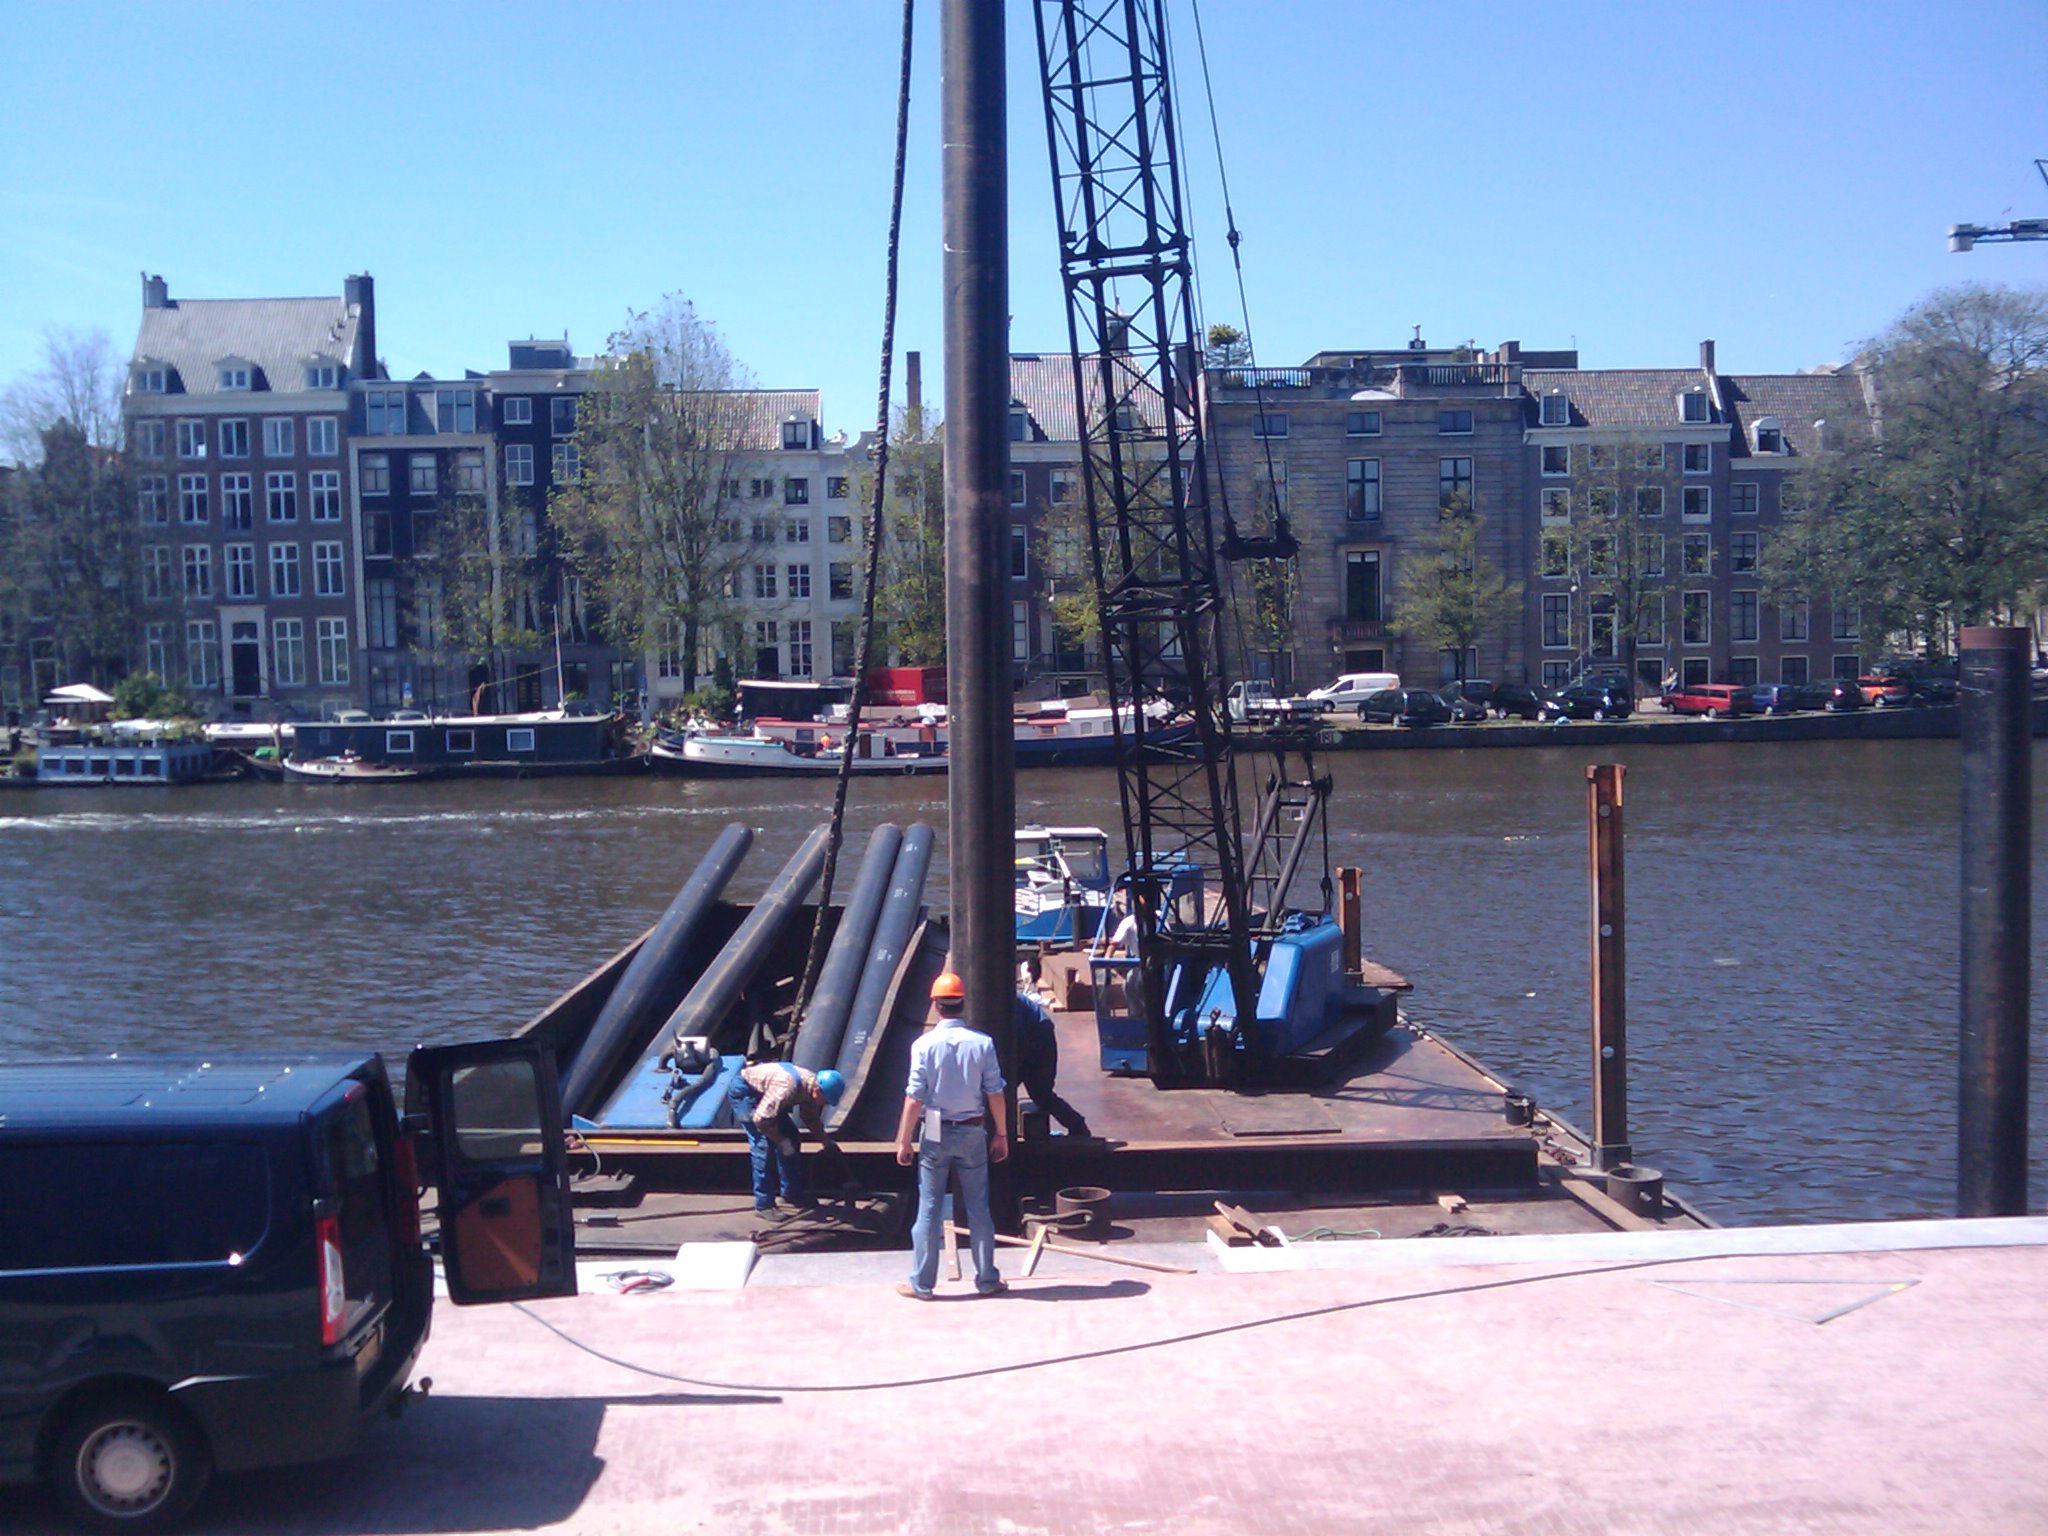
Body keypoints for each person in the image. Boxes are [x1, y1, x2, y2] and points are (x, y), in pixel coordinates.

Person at [895, 972, 1008, 1299]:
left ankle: (922, 1284)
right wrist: (1001, 1134)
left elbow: (914, 1098)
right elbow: (995, 1092)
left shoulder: (922, 1045)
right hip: (972, 1127)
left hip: (934, 1125)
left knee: (929, 1208)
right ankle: (987, 1280)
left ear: (935, 1005)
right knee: (978, 1208)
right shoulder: (983, 1044)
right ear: (963, 1003)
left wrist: (904, 1140)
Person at [727, 1060, 845, 1213]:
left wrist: (826, 1141)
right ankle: (764, 1205)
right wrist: (781, 1141)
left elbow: (809, 1117)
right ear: (818, 1091)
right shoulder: (787, 1087)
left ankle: (791, 1193)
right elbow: (760, 1120)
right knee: (763, 1145)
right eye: (826, 1101)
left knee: (792, 1137)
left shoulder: (811, 1084)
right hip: (746, 1092)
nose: (825, 1104)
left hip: (768, 1093)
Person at [1014, 991, 1089, 1138]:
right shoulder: (1006, 999)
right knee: (1004, 1090)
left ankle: (1078, 1127)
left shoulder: (1010, 1002)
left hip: (1040, 1042)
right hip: (1032, 1038)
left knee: (1041, 1094)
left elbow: (1019, 1040)